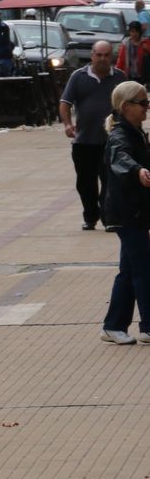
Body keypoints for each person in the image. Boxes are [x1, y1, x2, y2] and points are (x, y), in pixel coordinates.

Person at [99, 80, 150, 344]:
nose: (147, 107)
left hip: (135, 212)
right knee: (144, 267)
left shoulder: (137, 132)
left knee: (130, 269)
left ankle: (113, 325)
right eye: (142, 103)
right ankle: (148, 326)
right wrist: (137, 171)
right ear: (126, 106)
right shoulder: (120, 136)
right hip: (126, 213)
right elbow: (121, 159)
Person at [60, 41, 127, 230]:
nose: (103, 59)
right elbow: (65, 103)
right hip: (84, 141)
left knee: (110, 180)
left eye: (106, 55)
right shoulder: (78, 77)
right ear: (92, 55)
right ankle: (90, 216)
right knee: (85, 182)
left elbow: (129, 104)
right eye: (99, 55)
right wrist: (67, 124)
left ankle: (108, 218)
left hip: (112, 141)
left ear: (111, 57)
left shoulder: (120, 78)